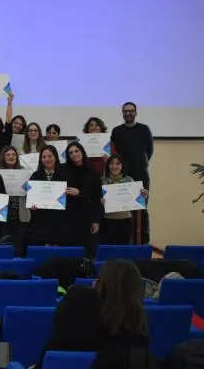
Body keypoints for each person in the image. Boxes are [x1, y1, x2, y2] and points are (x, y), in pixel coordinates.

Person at [32, 260, 150, 369]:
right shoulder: (138, 328)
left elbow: (59, 328)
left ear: (100, 282)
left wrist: (94, 293)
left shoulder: (76, 299)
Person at [110, 102, 153, 245]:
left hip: (141, 175)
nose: (128, 114)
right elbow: (113, 153)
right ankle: (124, 243)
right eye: (125, 111)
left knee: (141, 210)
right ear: (122, 113)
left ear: (135, 112)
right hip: (121, 177)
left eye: (131, 111)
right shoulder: (116, 131)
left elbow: (149, 151)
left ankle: (142, 243)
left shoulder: (144, 129)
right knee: (122, 210)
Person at [65, 141, 104, 257]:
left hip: (87, 217)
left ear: (82, 152)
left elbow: (97, 199)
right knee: (71, 252)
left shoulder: (93, 173)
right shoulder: (63, 170)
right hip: (68, 218)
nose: (74, 154)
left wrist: (96, 221)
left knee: (87, 252)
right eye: (70, 152)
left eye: (76, 151)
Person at [28, 145, 72, 247]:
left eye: (50, 156)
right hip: (42, 223)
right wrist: (32, 206)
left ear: (55, 157)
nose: (47, 159)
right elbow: (30, 196)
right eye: (44, 157)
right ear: (41, 160)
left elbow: (71, 198)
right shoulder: (35, 175)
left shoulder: (65, 174)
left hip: (61, 222)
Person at [101, 155, 148, 245]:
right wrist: (100, 201)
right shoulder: (102, 180)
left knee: (124, 248)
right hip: (107, 220)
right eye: (111, 163)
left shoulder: (129, 180)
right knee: (107, 249)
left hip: (125, 220)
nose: (114, 166)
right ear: (108, 165)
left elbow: (137, 202)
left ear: (122, 166)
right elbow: (95, 199)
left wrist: (143, 197)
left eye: (118, 164)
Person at [0, 145, 30, 256]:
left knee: (18, 246)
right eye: (8, 155)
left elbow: (29, 191)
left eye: (13, 154)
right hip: (2, 214)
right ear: (3, 157)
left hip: (19, 214)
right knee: (3, 245)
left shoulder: (24, 172)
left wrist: (27, 187)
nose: (11, 156)